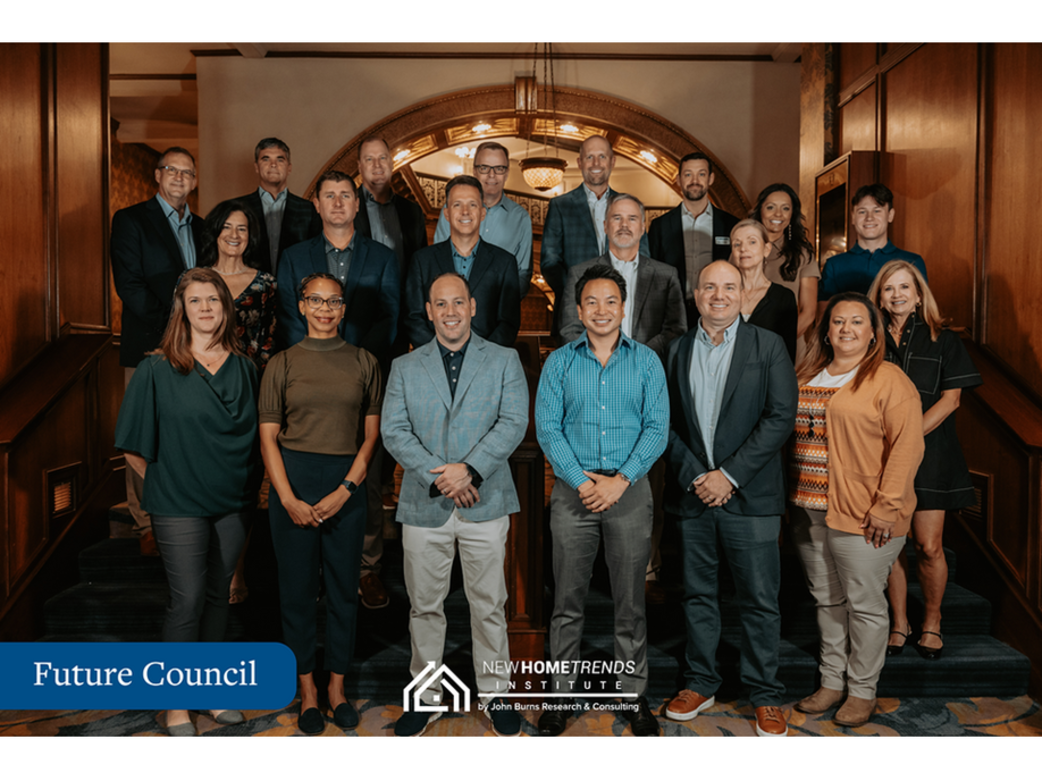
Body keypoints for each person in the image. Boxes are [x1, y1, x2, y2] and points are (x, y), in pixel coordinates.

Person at [382, 272, 528, 738]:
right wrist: (443, 476)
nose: (449, 312)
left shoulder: (504, 359)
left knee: (489, 604)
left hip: (486, 500)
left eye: (458, 303)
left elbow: (513, 421)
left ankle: (495, 694)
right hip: (425, 504)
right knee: (425, 606)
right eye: (440, 304)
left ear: (472, 307)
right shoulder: (405, 367)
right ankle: (425, 697)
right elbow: (394, 431)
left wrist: (469, 469)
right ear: (429, 311)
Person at [114, 267, 258, 735]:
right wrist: (167, 479)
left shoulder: (246, 367)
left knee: (219, 596)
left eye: (213, 299)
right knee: (188, 598)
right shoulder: (157, 367)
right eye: (195, 301)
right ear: (182, 309)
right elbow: (133, 446)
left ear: (226, 307)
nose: (206, 308)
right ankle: (176, 702)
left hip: (233, 500)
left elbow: (259, 438)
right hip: (177, 503)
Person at [662, 260, 797, 737]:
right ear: (695, 295)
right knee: (699, 596)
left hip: (752, 498)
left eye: (729, 287)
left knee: (759, 601)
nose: (719, 295)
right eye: (709, 287)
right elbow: (667, 426)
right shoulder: (676, 350)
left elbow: (780, 417)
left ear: (743, 294)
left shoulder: (769, 345)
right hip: (695, 496)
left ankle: (764, 693)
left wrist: (730, 476)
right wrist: (699, 476)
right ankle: (702, 681)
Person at [535, 265, 668, 738]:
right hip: (573, 496)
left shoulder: (647, 362)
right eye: (591, 302)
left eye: (610, 301)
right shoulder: (560, 362)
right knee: (567, 600)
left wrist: (621, 481)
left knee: (630, 603)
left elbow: (657, 428)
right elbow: (548, 428)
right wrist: (580, 481)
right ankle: (560, 695)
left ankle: (632, 695)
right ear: (577, 310)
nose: (601, 310)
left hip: (629, 493)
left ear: (623, 306)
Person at [789, 292, 924, 727]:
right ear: (826, 331)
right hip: (807, 510)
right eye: (838, 322)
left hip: (864, 513)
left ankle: (862, 689)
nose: (846, 329)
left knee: (864, 604)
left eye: (856, 322)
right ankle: (831, 681)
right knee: (827, 600)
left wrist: (888, 507)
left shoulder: (889, 379)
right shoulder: (808, 373)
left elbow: (908, 447)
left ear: (872, 333)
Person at [259, 272, 382, 735]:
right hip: (292, 482)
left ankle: (336, 687)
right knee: (295, 594)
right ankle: (307, 689)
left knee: (343, 591)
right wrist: (286, 497)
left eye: (334, 301)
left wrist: (346, 490)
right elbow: (268, 439)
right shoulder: (282, 364)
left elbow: (371, 437)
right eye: (316, 300)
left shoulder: (365, 361)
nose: (325, 308)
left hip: (345, 485)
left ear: (344, 308)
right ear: (302, 306)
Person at [277, 170, 400, 610]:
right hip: (305, 381)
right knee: (306, 468)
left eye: (345, 195)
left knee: (364, 474)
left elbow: (389, 318)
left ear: (357, 202)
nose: (337, 202)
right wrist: (314, 360)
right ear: (317, 204)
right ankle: (312, 571)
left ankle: (366, 569)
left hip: (362, 378)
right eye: (328, 195)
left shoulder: (382, 257)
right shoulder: (294, 256)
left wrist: (352, 363)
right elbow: (290, 317)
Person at [558, 192, 686, 604]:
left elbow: (676, 329)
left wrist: (636, 353)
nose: (625, 225)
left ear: (643, 225)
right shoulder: (580, 271)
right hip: (588, 380)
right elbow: (566, 329)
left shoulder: (665, 273)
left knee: (650, 480)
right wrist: (604, 351)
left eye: (633, 218)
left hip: (643, 386)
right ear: (606, 225)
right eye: (617, 218)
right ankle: (594, 566)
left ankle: (644, 563)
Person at [868, 261, 982, 660]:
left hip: (932, 454)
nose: (896, 295)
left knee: (929, 545)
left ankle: (932, 622)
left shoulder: (944, 339)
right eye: (888, 289)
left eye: (904, 288)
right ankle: (899, 621)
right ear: (878, 296)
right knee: (890, 545)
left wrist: (909, 437)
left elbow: (951, 401)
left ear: (919, 296)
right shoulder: (870, 339)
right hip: (879, 455)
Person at [111, 146, 204, 556]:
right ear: (156, 175)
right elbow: (129, 285)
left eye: (187, 172)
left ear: (195, 180)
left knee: (185, 431)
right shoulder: (131, 220)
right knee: (142, 431)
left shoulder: (203, 227)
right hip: (149, 343)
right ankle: (146, 521)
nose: (180, 178)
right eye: (172, 170)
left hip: (198, 345)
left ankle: (185, 506)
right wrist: (173, 327)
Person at [539, 135, 649, 333]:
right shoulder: (560, 206)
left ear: (612, 161)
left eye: (602, 157)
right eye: (590, 157)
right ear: (580, 162)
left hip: (624, 314)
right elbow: (550, 263)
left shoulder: (629, 207)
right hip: (574, 314)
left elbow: (644, 258)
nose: (596, 163)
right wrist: (580, 295)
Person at [405, 175, 520, 348]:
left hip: (488, 366)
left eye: (472, 204)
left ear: (482, 212)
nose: (465, 211)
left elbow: (508, 323)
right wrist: (442, 355)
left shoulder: (505, 262)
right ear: (447, 213)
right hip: (434, 364)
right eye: (457, 204)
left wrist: (481, 358)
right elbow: (413, 317)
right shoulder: (422, 260)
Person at [648, 152, 740, 325]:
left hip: (718, 310)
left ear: (710, 179)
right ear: (678, 179)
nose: (695, 180)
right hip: (673, 313)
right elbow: (652, 273)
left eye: (701, 174)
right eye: (688, 174)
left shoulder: (731, 224)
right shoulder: (659, 226)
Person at [434, 141, 533, 296]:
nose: (491, 175)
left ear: (506, 173)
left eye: (499, 168)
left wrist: (501, 305)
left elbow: (522, 274)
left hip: (497, 311)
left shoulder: (521, 218)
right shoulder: (452, 212)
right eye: (484, 168)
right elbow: (439, 260)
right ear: (475, 171)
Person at [818, 183, 928, 310]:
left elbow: (923, 312)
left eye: (877, 211)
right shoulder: (834, 265)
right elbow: (824, 318)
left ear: (890, 215)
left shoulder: (912, 262)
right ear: (853, 217)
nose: (869, 218)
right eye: (862, 212)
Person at [199, 199, 276, 372]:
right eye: (226, 227)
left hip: (247, 378)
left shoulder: (266, 283)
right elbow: (179, 333)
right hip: (198, 376)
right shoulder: (193, 280)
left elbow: (268, 342)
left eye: (241, 229)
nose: (234, 235)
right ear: (215, 231)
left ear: (250, 235)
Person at [236, 137, 322, 275]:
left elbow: (315, 256)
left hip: (295, 289)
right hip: (251, 290)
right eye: (266, 159)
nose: (273, 164)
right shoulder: (237, 208)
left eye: (280, 159)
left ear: (289, 168)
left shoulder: (309, 210)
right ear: (256, 167)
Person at [750, 183, 819, 348]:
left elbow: (808, 313)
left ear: (792, 214)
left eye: (785, 208)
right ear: (760, 210)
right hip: (746, 344)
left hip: (786, 346)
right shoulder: (742, 249)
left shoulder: (803, 254)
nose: (778, 214)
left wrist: (775, 345)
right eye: (771, 207)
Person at [729, 219, 798, 362]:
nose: (743, 248)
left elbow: (787, 355)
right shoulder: (722, 295)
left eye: (752, 242)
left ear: (766, 249)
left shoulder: (783, 298)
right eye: (737, 244)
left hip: (766, 379)